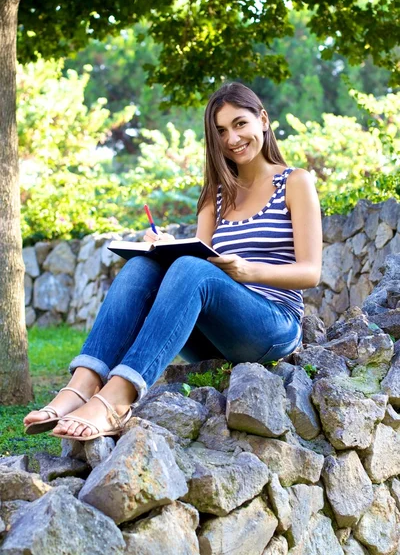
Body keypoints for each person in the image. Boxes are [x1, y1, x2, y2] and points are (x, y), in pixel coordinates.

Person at [23, 82, 322, 441]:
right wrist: (168, 248)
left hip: (273, 327)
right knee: (143, 265)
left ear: (263, 120)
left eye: (240, 124)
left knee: (191, 269)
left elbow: (311, 272)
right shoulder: (215, 194)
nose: (232, 138)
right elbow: (201, 256)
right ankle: (84, 382)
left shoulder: (294, 182)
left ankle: (118, 398)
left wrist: (248, 271)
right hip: (215, 334)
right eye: (221, 131)